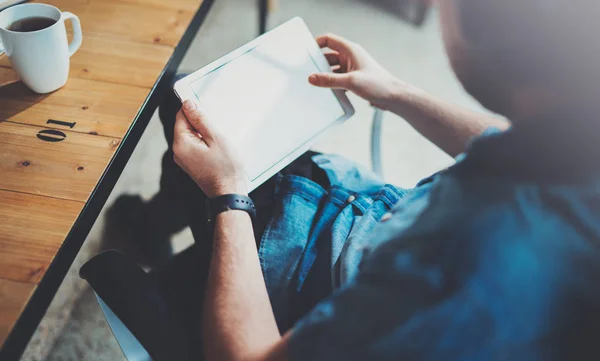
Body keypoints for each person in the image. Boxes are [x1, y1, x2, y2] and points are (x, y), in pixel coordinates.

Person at [124, 0, 600, 359]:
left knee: (182, 102)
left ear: (487, 30)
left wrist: (228, 194)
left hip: (313, 279)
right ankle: (158, 224)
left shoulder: (454, 263)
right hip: (376, 214)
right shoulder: (578, 134)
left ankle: (154, 229)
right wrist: (396, 92)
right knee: (205, 114)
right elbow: (515, 139)